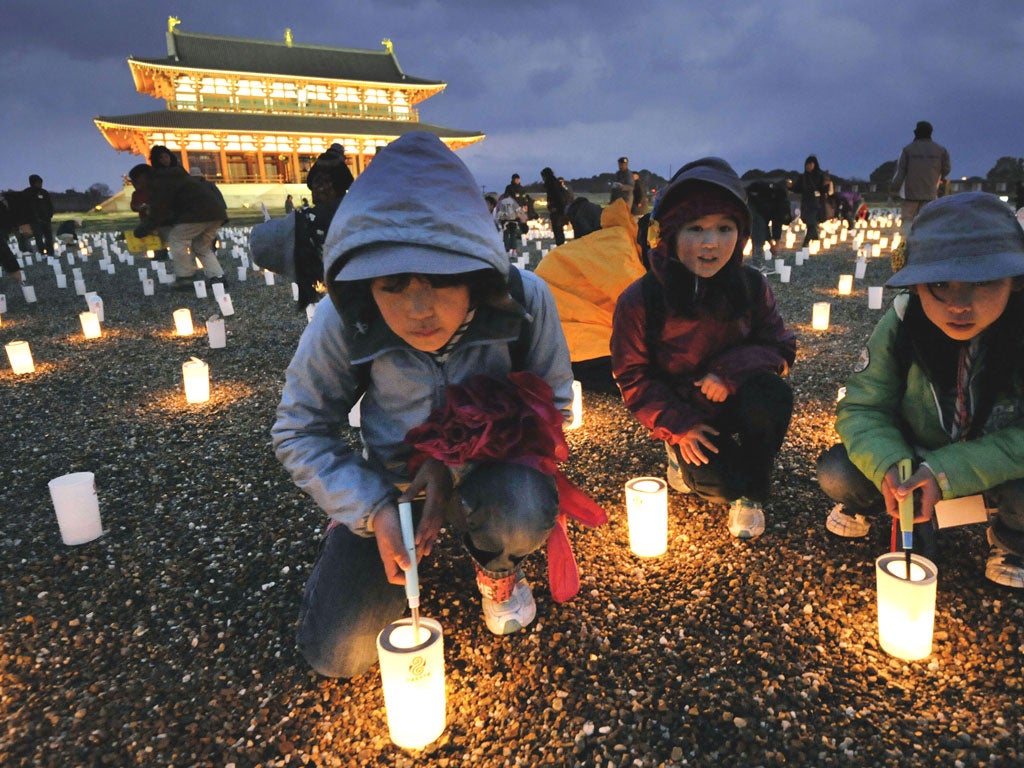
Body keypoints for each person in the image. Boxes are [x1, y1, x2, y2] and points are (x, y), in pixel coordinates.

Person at [272, 131, 575, 678]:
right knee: (339, 654)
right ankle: (369, 538)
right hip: (394, 485)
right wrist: (372, 508)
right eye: (393, 284)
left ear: (476, 270)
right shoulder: (346, 317)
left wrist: (453, 462)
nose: (418, 309)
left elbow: (554, 406)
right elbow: (300, 429)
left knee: (521, 509)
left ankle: (497, 563)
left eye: (439, 279)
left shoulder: (525, 301)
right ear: (364, 281)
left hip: (494, 470)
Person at [817, 192, 1024, 587]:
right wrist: (891, 466)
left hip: (999, 472)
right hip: (913, 458)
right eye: (940, 283)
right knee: (838, 472)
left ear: (1015, 280)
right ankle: (900, 510)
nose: (959, 304)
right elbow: (863, 407)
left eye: (982, 281)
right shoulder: (902, 322)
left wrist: (946, 473)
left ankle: (1012, 537)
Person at [610, 157, 796, 540]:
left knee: (773, 397)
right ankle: (685, 461)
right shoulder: (641, 299)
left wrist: (730, 372)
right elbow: (633, 376)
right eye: (696, 228)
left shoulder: (751, 285)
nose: (711, 242)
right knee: (719, 484)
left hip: (740, 398)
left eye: (724, 228)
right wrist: (679, 426)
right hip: (686, 412)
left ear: (741, 234)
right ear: (670, 234)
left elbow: (780, 345)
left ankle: (753, 494)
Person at [249, 143, 354, 310]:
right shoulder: (341, 173)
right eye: (319, 185)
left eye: (326, 185)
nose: (321, 188)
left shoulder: (319, 167)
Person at [130, 161, 227, 289]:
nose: (135, 186)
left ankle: (185, 278)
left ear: (142, 177)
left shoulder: (160, 183)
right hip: (215, 213)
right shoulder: (172, 178)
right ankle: (218, 277)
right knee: (201, 247)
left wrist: (146, 226)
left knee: (176, 239)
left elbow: (160, 208)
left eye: (135, 181)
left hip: (197, 214)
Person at [891, 120, 951, 235]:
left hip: (909, 194)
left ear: (916, 132)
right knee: (927, 220)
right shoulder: (941, 150)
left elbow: (900, 171)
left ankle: (907, 245)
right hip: (930, 192)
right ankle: (925, 244)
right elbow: (946, 169)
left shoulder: (908, 150)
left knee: (907, 220)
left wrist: (894, 189)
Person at [746, 179, 791, 258]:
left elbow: (777, 223)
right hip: (753, 203)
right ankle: (757, 259)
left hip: (765, 203)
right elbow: (764, 225)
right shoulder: (774, 204)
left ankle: (758, 257)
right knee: (758, 232)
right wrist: (771, 244)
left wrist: (776, 243)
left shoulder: (781, 206)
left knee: (763, 227)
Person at [791, 155, 827, 246]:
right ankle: (814, 238)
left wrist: (825, 187)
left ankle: (806, 243)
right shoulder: (803, 177)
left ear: (814, 164)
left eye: (810, 164)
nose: (808, 166)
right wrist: (790, 187)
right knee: (809, 223)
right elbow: (797, 188)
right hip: (806, 204)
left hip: (816, 204)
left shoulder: (820, 176)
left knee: (811, 223)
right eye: (807, 164)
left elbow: (823, 190)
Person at [24, 174, 54, 256]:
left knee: (49, 237)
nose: (41, 184)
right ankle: (42, 253)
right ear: (33, 183)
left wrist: (50, 214)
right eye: (39, 183)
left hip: (46, 219)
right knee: (39, 238)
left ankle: (50, 253)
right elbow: (25, 207)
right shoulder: (27, 193)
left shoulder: (44, 192)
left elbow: (49, 204)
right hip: (34, 221)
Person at [540, 166, 568, 246]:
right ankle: (560, 245)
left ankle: (560, 245)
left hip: (557, 210)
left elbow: (558, 197)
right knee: (558, 229)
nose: (543, 179)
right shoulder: (554, 184)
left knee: (558, 229)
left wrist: (554, 207)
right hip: (557, 210)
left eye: (543, 177)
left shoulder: (553, 185)